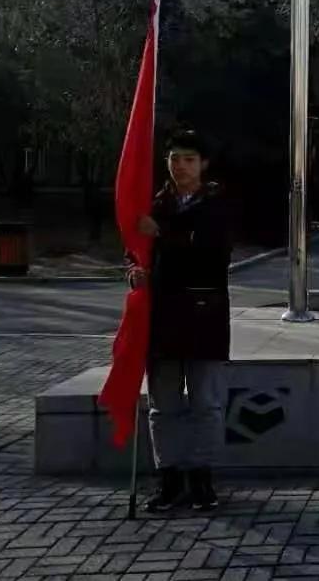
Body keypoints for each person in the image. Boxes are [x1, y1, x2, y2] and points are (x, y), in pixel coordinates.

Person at [132, 129, 232, 513]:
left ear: (203, 164)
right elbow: (135, 250)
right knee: (163, 405)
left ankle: (201, 479)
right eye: (174, 158)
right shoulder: (154, 204)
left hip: (205, 314)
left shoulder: (218, 203)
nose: (181, 166)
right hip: (162, 318)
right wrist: (134, 271)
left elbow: (213, 252)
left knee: (206, 402)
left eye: (189, 159)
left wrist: (165, 235)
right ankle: (169, 478)